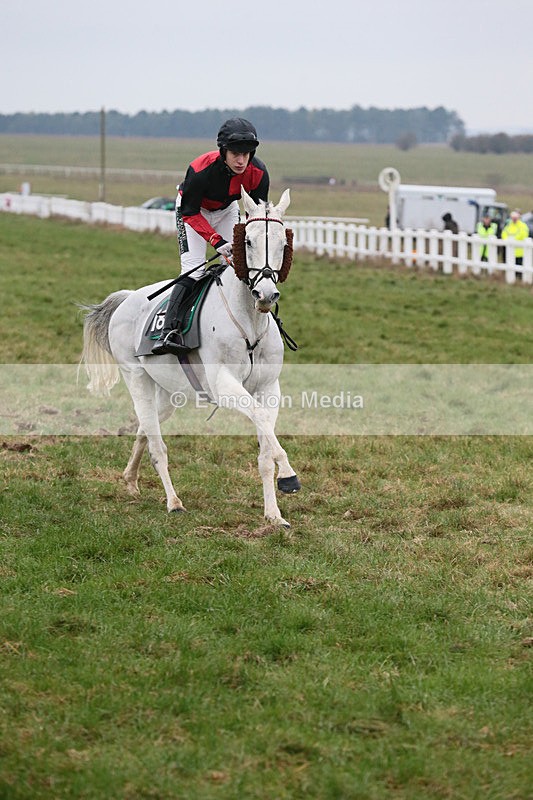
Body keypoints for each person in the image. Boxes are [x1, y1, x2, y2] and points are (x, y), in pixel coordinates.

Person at [152, 118, 270, 355]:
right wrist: (217, 242)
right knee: (194, 269)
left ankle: (252, 324)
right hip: (193, 211)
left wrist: (245, 243)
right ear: (223, 151)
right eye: (236, 154)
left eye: (246, 154)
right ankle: (170, 330)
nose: (241, 161)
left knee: (237, 268)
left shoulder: (258, 173)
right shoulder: (200, 169)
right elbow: (190, 212)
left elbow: (256, 217)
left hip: (227, 210)